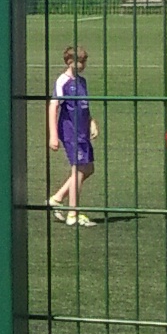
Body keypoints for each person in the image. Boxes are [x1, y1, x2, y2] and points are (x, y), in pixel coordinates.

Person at [46, 45, 96, 226]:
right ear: (69, 62)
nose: (83, 65)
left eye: (84, 62)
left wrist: (91, 122)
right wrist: (53, 135)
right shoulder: (63, 81)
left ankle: (56, 199)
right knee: (79, 169)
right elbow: (53, 106)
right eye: (80, 62)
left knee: (88, 169)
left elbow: (84, 105)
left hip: (82, 132)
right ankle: (73, 214)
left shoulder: (82, 82)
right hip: (70, 131)